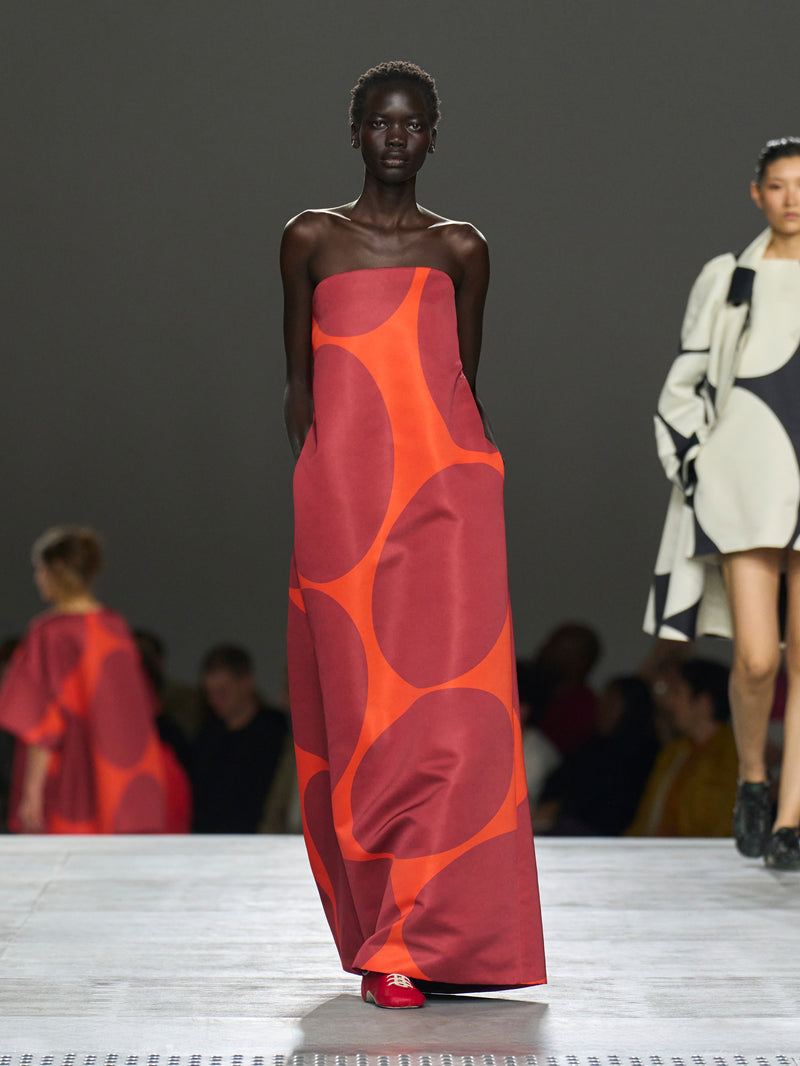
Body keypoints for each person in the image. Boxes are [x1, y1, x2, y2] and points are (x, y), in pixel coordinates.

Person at [281, 61, 545, 1009]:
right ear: (355, 130)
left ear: (435, 135)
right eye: (382, 123)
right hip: (344, 504)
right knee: (366, 720)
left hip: (445, 499)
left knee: (451, 717)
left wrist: (465, 476)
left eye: (415, 124)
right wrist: (322, 500)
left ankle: (428, 941)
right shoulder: (310, 239)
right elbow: (300, 393)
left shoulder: (463, 248)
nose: (398, 138)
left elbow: (459, 383)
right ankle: (388, 935)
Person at [645, 136, 800, 868]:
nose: (792, 199)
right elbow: (685, 382)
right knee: (759, 661)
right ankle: (752, 777)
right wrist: (697, 466)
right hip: (746, 476)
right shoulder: (729, 276)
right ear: (756, 193)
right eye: (778, 185)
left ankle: (793, 817)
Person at [0, 527, 167, 833]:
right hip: (117, 781)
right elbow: (137, 715)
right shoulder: (114, 626)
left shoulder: (50, 633)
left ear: (58, 569)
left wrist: (31, 794)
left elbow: (42, 722)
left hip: (68, 782)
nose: (37, 578)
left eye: (40, 569)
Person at [532, 676, 659, 836]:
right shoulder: (591, 746)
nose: (602, 708)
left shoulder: (642, 755)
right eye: (603, 701)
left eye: (612, 703)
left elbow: (613, 804)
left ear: (631, 708)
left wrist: (561, 809)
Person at [627, 659, 738, 838]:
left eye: (677, 693)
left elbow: (726, 827)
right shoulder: (673, 752)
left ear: (703, 703)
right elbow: (646, 818)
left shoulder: (734, 754)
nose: (670, 703)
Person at [190, 644, 288, 833]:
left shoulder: (275, 731)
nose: (214, 700)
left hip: (258, 841)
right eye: (209, 693)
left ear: (247, 683)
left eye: (223, 692)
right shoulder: (207, 734)